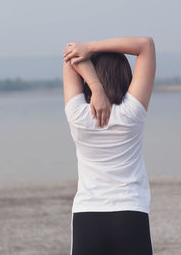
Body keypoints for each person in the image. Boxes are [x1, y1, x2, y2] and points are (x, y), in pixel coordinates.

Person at [62, 36, 156, 255]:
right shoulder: (131, 113)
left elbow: (70, 54)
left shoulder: (78, 114)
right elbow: (145, 45)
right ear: (125, 76)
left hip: (88, 215)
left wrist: (96, 88)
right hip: (130, 212)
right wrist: (91, 47)